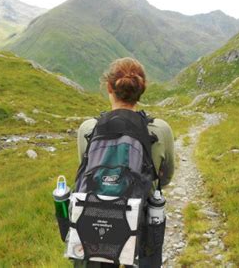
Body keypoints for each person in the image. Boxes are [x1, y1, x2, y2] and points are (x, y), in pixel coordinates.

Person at [74, 57, 175, 268]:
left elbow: (85, 172)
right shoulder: (160, 130)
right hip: (141, 217)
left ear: (109, 87)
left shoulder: (88, 129)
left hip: (96, 217)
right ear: (142, 89)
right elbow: (165, 177)